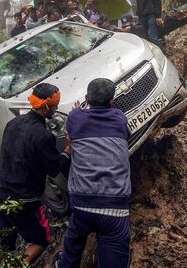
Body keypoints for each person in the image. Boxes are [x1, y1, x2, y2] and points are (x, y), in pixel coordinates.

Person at [0, 83, 72, 264]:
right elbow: (53, 168)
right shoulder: (42, 136)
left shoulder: (12, 124)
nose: (57, 108)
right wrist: (67, 150)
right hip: (23, 200)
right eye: (54, 105)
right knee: (41, 241)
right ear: (44, 107)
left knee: (2, 246)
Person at [57, 78, 131, 268]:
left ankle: (64, 263)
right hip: (116, 207)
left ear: (86, 98)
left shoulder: (74, 118)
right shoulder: (120, 118)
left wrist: (78, 112)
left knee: (73, 240)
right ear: (112, 100)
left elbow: (73, 129)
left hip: (82, 204)